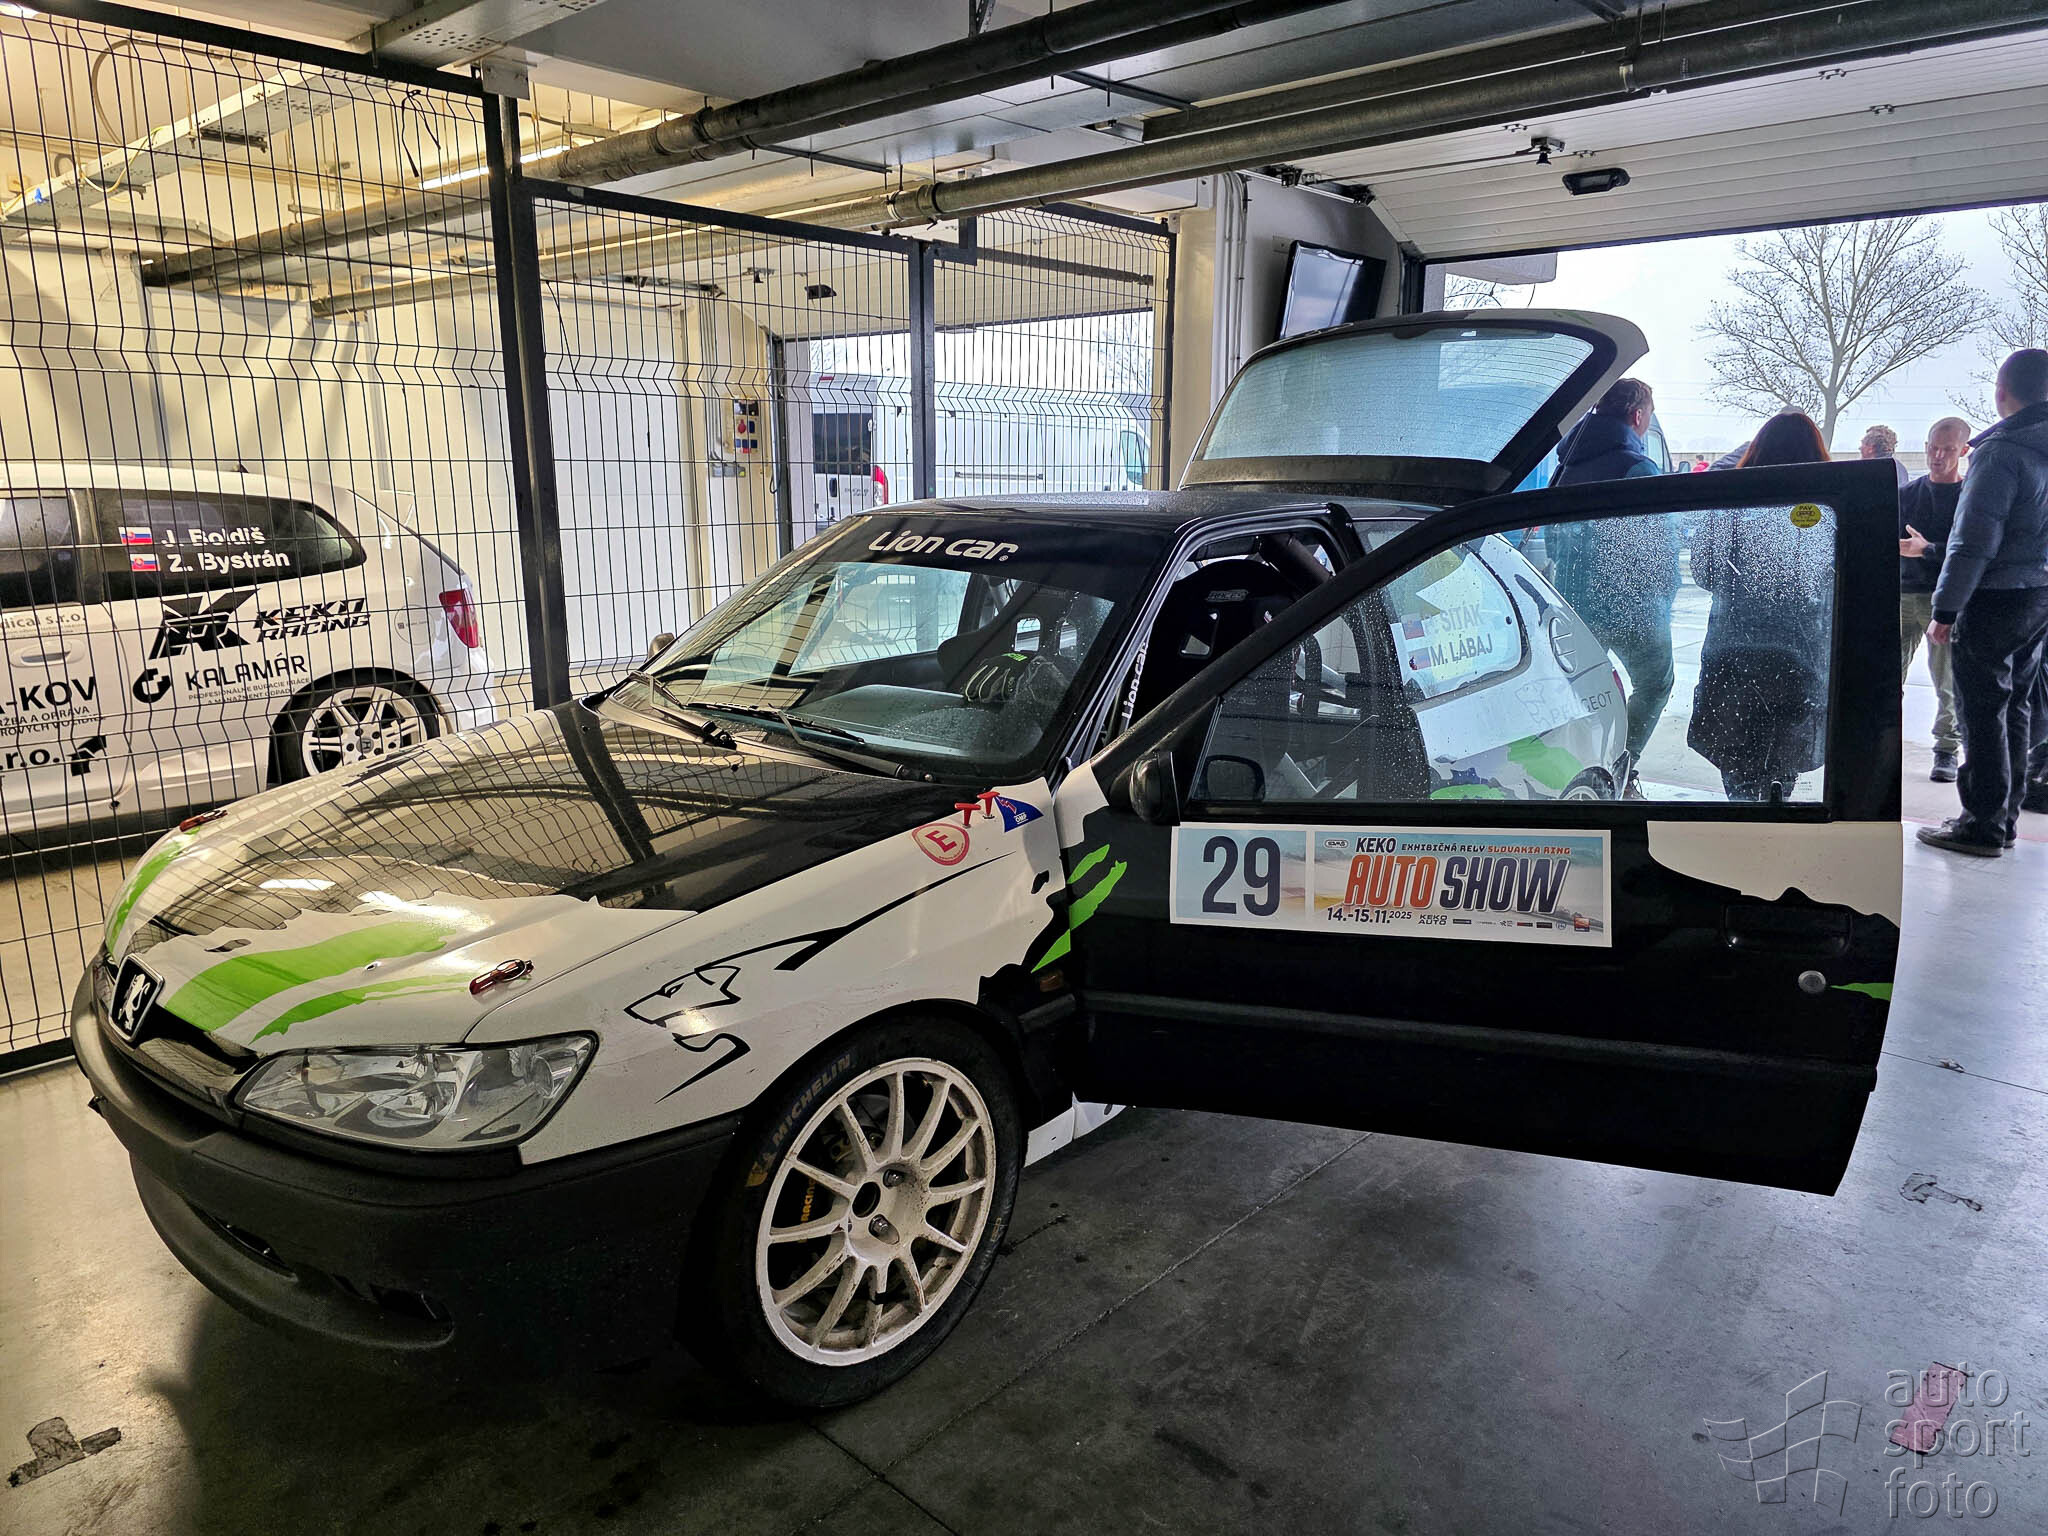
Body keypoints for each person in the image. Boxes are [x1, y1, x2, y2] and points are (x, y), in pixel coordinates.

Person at [1918, 349, 2048, 857]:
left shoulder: (2000, 453)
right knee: (2016, 704)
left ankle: (1981, 824)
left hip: (1994, 598)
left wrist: (1945, 610)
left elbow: (1972, 542)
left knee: (1981, 710)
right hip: (2038, 596)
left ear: (2001, 393)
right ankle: (2004, 817)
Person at [1687, 411, 1835, 802]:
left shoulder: (1729, 504)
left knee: (1737, 761)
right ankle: (1774, 809)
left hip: (1733, 653)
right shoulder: (1830, 507)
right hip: (1801, 656)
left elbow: (1704, 571)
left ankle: (1744, 815)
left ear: (1756, 450)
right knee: (1783, 760)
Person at [1547, 378, 1676, 778]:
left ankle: (1583, 763)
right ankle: (1623, 762)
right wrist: (1664, 597)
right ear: (1637, 416)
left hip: (1574, 605)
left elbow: (1553, 540)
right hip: (1632, 606)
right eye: (1648, 415)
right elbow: (1660, 549)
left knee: (1584, 689)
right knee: (1655, 683)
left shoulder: (1565, 468)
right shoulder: (1639, 469)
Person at [1898, 418, 1971, 781]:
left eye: (1948, 449)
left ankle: (1946, 749)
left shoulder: (1970, 498)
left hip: (1942, 599)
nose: (1938, 456)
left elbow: (1972, 552)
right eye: (1933, 448)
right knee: (1885, 677)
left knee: (1947, 681)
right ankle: (1881, 743)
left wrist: (1927, 550)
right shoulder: (1906, 495)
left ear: (1964, 451)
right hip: (1900, 593)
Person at [1861, 423, 1913, 489]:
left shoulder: (1868, 470)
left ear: (1871, 448)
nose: (1860, 448)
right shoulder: (1900, 468)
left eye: (1862, 444)